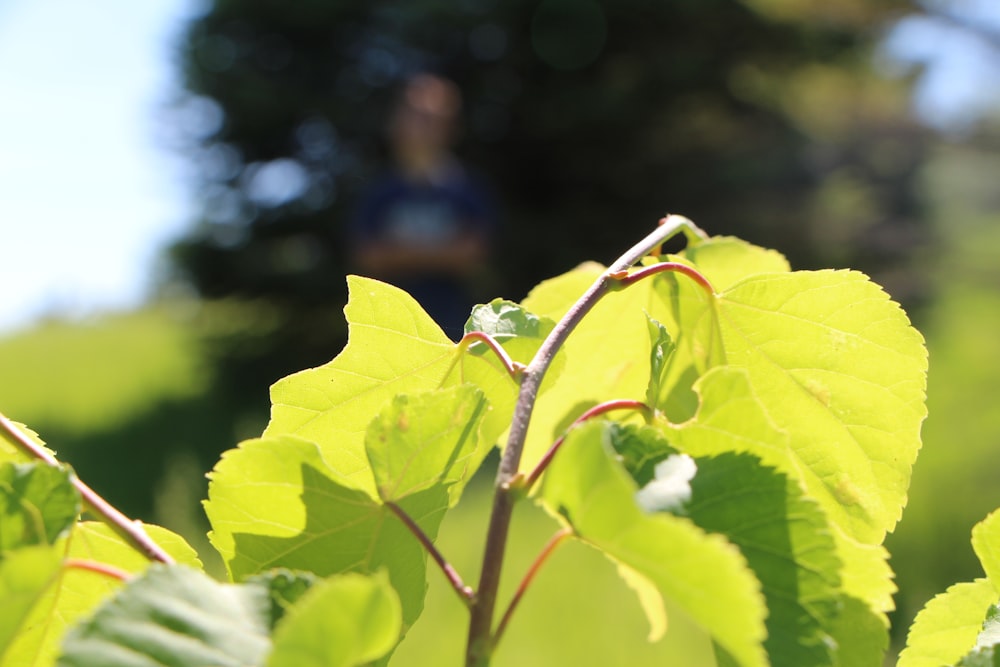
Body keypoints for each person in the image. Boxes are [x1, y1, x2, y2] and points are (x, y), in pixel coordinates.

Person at [350, 73, 495, 339]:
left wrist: (399, 253)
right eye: (417, 116)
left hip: (458, 331)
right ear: (396, 121)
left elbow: (475, 256)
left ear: (451, 126)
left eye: (434, 118)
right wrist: (443, 253)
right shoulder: (379, 191)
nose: (424, 127)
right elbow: (367, 258)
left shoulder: (468, 189)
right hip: (389, 331)